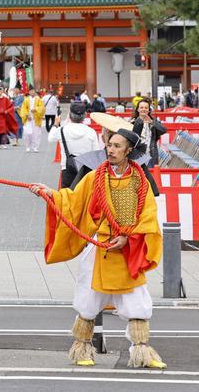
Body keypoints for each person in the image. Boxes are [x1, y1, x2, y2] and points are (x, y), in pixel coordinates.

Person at [29, 128, 166, 369]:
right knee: (88, 301)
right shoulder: (96, 176)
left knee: (137, 303)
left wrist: (127, 237)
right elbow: (73, 200)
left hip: (127, 250)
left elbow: (148, 216)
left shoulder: (140, 181)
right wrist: (49, 193)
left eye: (116, 146)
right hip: (100, 249)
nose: (110, 150)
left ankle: (142, 351)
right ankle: (82, 347)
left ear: (129, 151)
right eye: (109, 145)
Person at [48, 103, 102, 189]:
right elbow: (96, 152)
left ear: (69, 115)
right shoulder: (91, 131)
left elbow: (50, 138)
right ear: (85, 115)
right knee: (85, 198)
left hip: (67, 168)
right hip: (86, 170)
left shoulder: (62, 130)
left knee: (67, 197)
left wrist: (55, 124)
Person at [131, 99, 167, 169]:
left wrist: (151, 122)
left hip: (150, 154)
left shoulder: (153, 121)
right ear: (138, 109)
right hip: (136, 155)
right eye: (141, 107)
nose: (143, 109)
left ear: (149, 110)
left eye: (146, 108)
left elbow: (163, 130)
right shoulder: (132, 122)